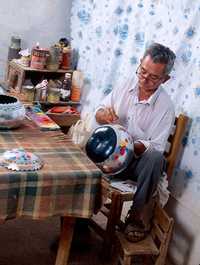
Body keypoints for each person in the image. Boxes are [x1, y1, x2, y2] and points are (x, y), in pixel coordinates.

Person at [93, 43, 176, 242]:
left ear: (165, 79)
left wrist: (126, 143)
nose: (144, 79)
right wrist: (104, 116)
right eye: (142, 71)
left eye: (153, 77)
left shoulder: (165, 107)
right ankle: (78, 220)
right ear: (140, 63)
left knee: (155, 158)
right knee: (88, 146)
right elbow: (98, 111)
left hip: (136, 164)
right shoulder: (126, 84)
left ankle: (136, 217)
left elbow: (155, 147)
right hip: (111, 158)